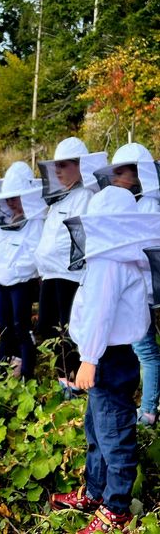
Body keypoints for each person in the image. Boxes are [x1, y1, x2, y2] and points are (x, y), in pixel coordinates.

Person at [50, 186, 160, 533]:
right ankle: (96, 493)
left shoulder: (111, 262)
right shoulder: (117, 258)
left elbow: (100, 314)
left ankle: (117, 508)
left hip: (108, 359)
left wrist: (90, 359)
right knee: (97, 430)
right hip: (111, 358)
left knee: (114, 437)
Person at [94, 142, 160, 425]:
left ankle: (148, 411)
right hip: (134, 289)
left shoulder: (148, 205)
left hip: (142, 289)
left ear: (140, 173)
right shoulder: (134, 202)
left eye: (126, 172)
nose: (119, 178)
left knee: (145, 350)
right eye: (117, 172)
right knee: (139, 348)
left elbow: (144, 252)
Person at [35, 137, 107, 389]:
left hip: (73, 277)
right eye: (56, 166)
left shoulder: (87, 196)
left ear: (80, 166)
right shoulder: (60, 200)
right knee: (50, 329)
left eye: (64, 165)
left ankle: (76, 384)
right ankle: (63, 380)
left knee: (70, 331)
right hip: (51, 274)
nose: (58, 171)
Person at [0, 161, 46, 379]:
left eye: (15, 198)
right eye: (8, 199)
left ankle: (27, 376)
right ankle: (1, 374)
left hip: (21, 285)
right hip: (2, 285)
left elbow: (35, 256)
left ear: (27, 196)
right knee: (4, 330)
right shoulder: (6, 222)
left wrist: (13, 270)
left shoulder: (36, 222)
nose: (10, 203)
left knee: (21, 329)